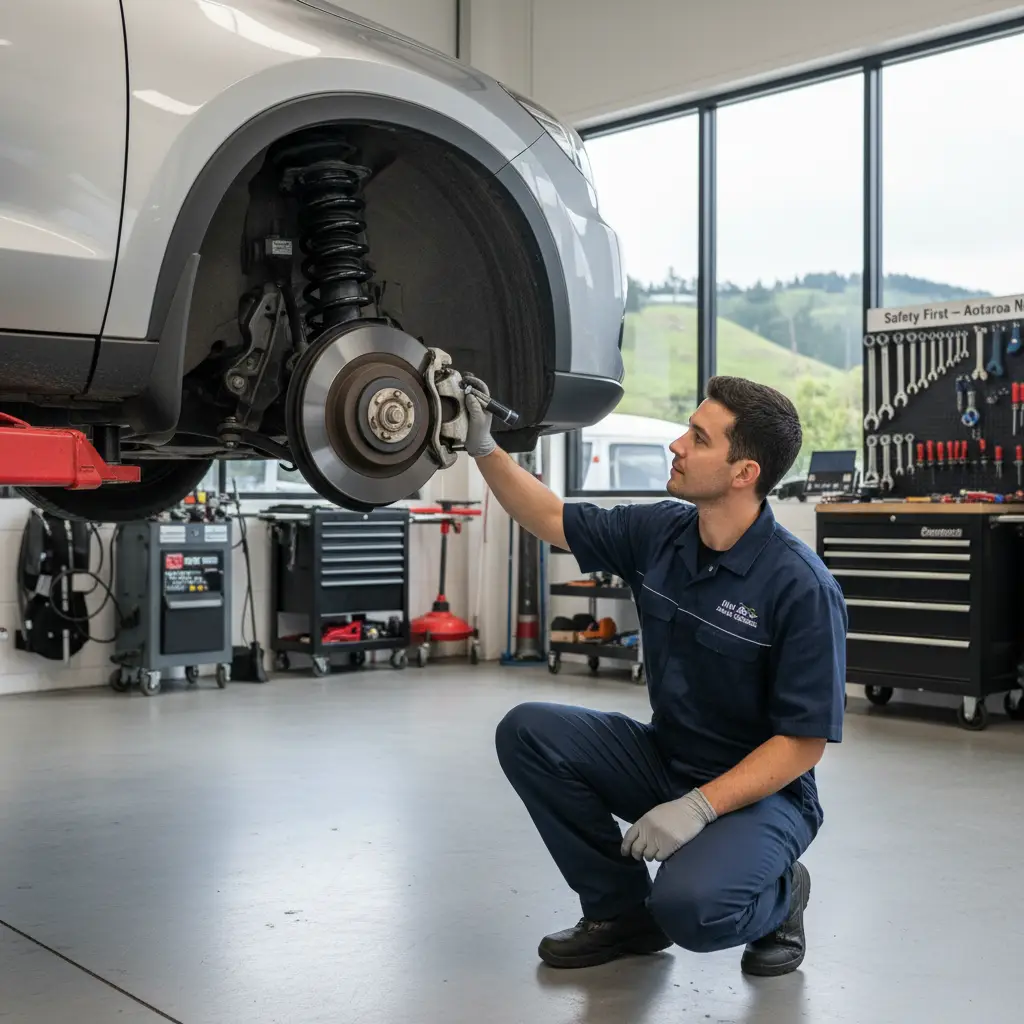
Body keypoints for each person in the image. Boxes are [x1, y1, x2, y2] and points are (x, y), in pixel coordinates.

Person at [463, 374, 846, 976]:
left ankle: (782, 895)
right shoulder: (661, 532)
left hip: (762, 796)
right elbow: (552, 517)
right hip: (666, 759)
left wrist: (698, 808)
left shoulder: (800, 587)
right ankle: (620, 913)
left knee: (692, 910)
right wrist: (484, 447)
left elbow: (803, 743)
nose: (677, 445)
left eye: (698, 437)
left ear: (744, 473)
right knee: (528, 730)